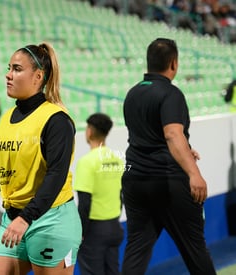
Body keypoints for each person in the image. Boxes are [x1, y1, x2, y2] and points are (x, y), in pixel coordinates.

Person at [0, 42, 82, 275]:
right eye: (8, 68)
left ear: (38, 76)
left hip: (51, 221)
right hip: (13, 219)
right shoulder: (7, 118)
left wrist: (26, 218)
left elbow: (56, 176)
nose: (8, 74)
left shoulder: (57, 120)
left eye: (16, 69)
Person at [121, 38, 216, 275]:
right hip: (168, 182)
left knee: (136, 250)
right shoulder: (171, 94)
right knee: (195, 249)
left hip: (135, 181)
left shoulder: (132, 93)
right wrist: (194, 173)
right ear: (173, 63)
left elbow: (150, 136)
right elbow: (173, 134)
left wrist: (185, 149)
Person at [73, 113, 124, 275]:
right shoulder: (117, 159)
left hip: (94, 232)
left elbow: (85, 203)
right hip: (114, 227)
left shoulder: (86, 162)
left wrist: (80, 233)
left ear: (89, 131)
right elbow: (121, 194)